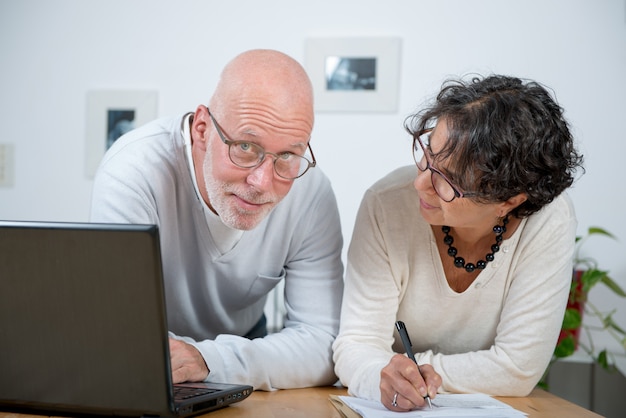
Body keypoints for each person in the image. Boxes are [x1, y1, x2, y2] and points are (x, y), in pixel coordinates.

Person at [90, 49, 344, 391]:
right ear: (202, 129)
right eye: (244, 147)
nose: (262, 183)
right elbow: (119, 332)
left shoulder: (311, 193)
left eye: (287, 155)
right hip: (150, 362)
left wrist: (208, 359)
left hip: (246, 351)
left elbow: (325, 343)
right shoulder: (133, 172)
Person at [332, 74, 584, 411]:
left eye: (448, 180)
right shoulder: (386, 203)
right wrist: (380, 374)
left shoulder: (548, 221)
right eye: (427, 154)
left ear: (508, 201)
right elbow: (356, 344)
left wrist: (410, 369)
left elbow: (517, 368)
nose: (420, 183)